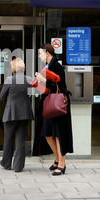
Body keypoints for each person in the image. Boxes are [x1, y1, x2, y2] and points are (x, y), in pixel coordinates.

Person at [33, 43, 73, 176]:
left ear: (47, 53)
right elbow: (49, 87)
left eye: (40, 53)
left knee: (59, 134)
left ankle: (62, 164)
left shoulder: (57, 66)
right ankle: (57, 158)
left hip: (59, 105)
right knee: (48, 133)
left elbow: (61, 87)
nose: (39, 56)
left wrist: (43, 80)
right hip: (50, 105)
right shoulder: (48, 66)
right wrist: (39, 83)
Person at [0, 57, 35, 172]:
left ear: (13, 67)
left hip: (11, 113)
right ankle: (18, 167)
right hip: (25, 113)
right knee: (21, 140)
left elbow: (2, 97)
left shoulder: (10, 79)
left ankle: (6, 164)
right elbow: (36, 92)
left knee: (8, 140)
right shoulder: (29, 79)